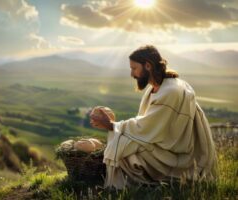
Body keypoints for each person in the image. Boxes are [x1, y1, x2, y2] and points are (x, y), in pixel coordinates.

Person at [90, 45, 217, 189]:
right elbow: (149, 126)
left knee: (125, 150)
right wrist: (115, 126)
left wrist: (112, 125)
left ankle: (131, 187)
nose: (132, 74)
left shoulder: (170, 91)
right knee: (122, 142)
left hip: (176, 154)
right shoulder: (156, 87)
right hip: (162, 142)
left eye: (134, 68)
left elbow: (147, 128)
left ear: (148, 66)